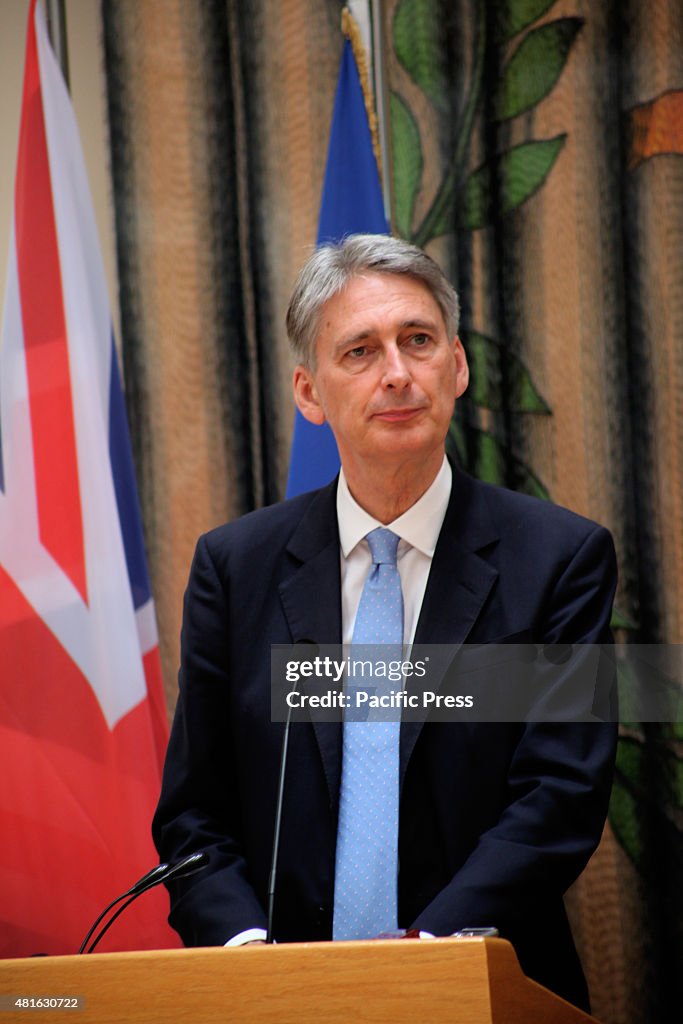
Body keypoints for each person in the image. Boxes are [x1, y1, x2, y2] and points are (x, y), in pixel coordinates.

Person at [153, 234, 617, 1012]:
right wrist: (246, 955)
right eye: (359, 351)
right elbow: (196, 811)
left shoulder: (558, 559)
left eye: (417, 341)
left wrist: (420, 961)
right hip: (279, 1001)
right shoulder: (237, 569)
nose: (396, 374)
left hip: (481, 989)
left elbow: (558, 797)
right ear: (309, 393)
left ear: (457, 366)